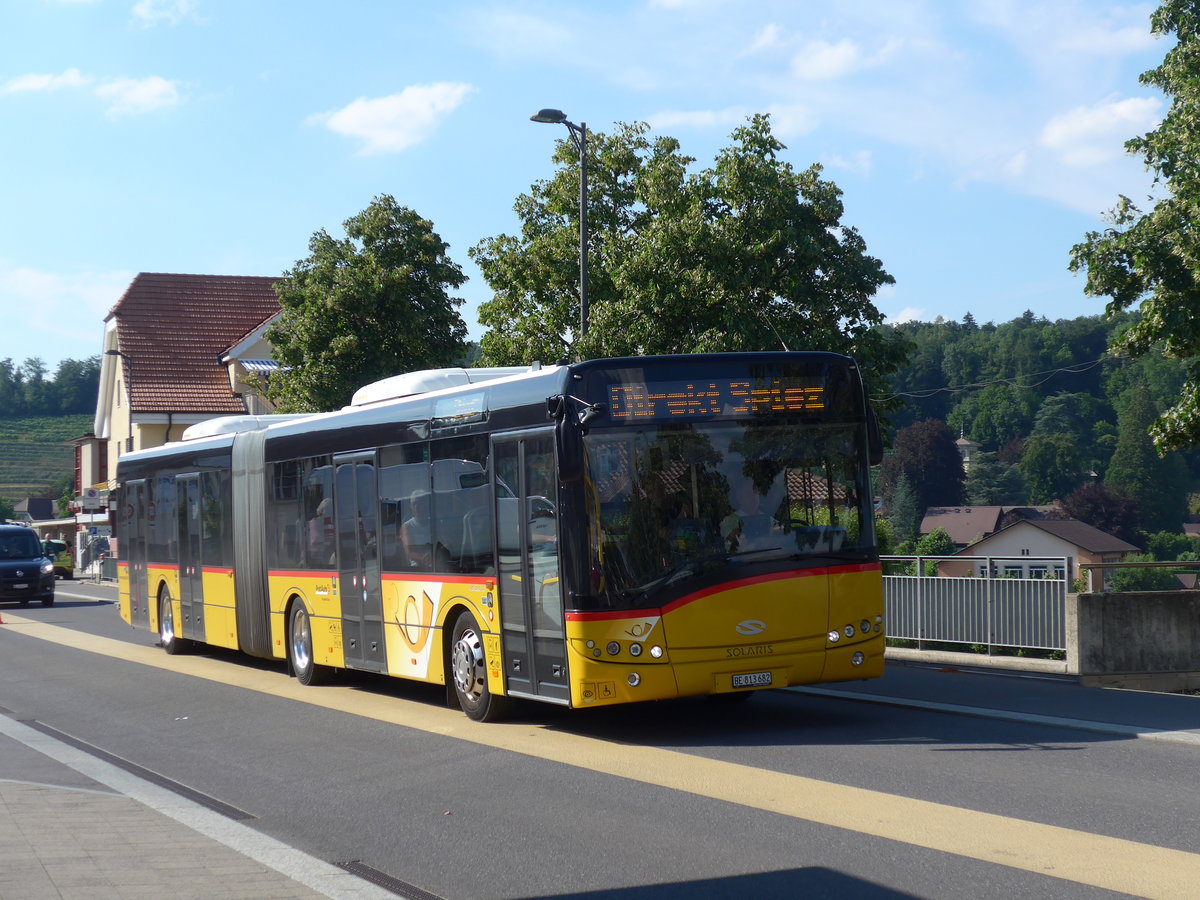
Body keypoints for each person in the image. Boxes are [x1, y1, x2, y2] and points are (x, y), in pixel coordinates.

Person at [720, 480, 783, 552]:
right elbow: (726, 550)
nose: (753, 495)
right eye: (748, 493)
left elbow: (784, 533)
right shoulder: (729, 522)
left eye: (755, 491)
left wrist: (775, 534)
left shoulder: (767, 518)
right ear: (739, 497)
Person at [401, 490, 434, 568]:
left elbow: (446, 542)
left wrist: (435, 555)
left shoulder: (434, 523)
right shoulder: (407, 526)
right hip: (417, 568)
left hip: (437, 562)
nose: (417, 507)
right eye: (414, 504)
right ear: (411, 507)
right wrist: (424, 557)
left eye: (420, 503)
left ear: (425, 505)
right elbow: (409, 552)